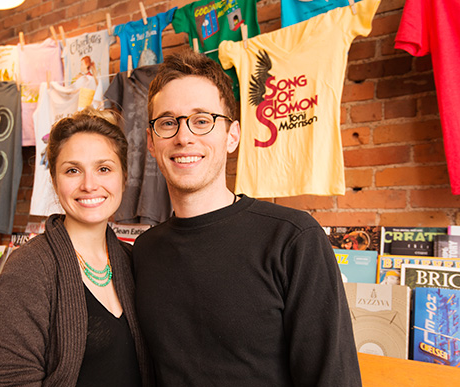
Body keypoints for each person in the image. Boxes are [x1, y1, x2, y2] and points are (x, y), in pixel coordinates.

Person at [132, 50, 362, 386]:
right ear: (151, 142)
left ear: (232, 136)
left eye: (202, 120)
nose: (184, 137)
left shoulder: (292, 239)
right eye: (168, 122)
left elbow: (331, 379)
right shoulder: (145, 250)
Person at [0, 108, 153, 387]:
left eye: (104, 169)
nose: (89, 184)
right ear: (54, 181)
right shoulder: (27, 270)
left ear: (123, 178)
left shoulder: (132, 261)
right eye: (73, 170)